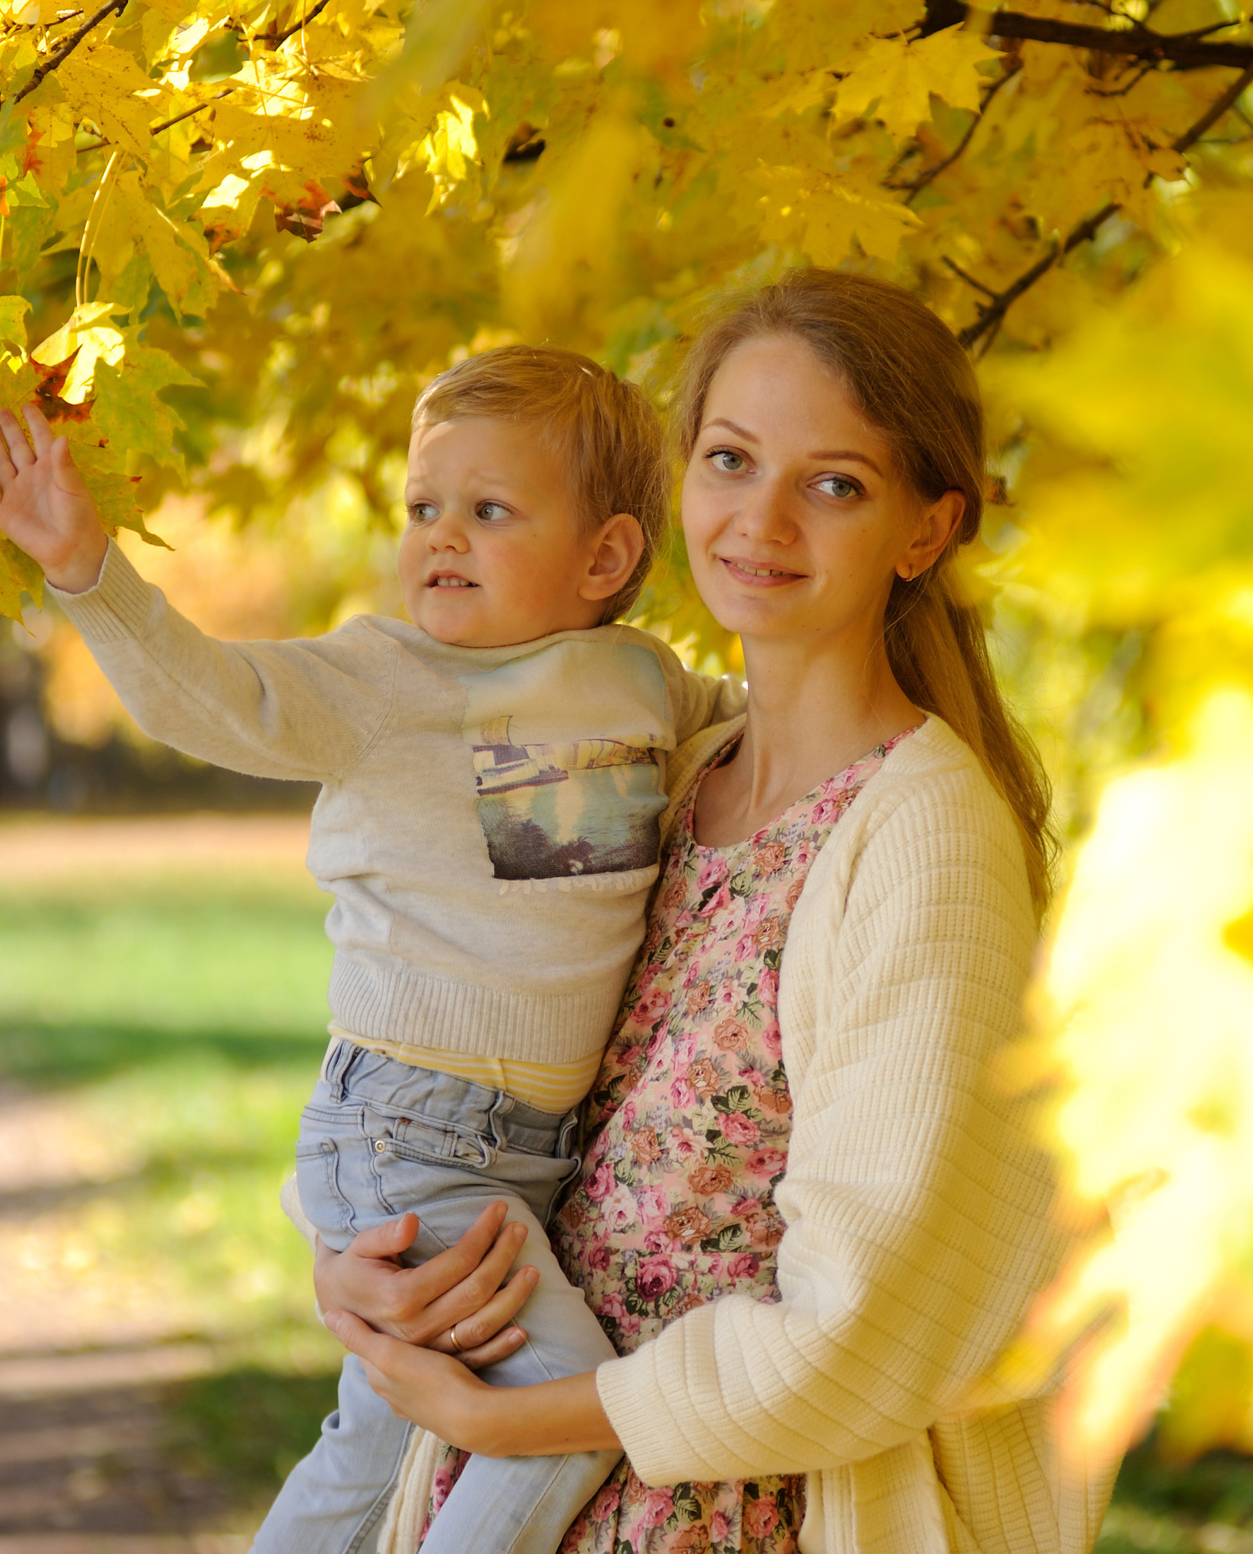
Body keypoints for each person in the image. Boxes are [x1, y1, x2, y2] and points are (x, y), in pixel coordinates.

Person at [314, 270, 1110, 1554]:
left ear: (926, 528)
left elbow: (864, 1322)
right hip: (500, 1483)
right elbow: (467, 1069)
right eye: (731, 460)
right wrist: (366, 1264)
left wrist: (522, 1423)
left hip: (728, 1514)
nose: (762, 521)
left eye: (834, 483)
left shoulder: (926, 842)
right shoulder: (645, 767)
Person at [0, 346, 740, 1554]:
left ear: (607, 558)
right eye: (424, 508)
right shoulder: (383, 678)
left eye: (489, 512)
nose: (440, 537)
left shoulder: (644, 684)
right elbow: (209, 696)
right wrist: (83, 569)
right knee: (571, 1415)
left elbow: (765, 730)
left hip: (523, 1150)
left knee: (376, 1449)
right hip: (410, 1131)